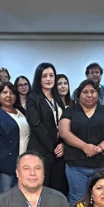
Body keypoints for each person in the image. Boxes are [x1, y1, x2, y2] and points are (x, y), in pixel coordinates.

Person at [59, 79, 104, 205]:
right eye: (85, 92)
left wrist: (100, 147)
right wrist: (84, 147)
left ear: (98, 94)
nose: (89, 95)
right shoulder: (70, 110)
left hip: (101, 164)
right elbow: (64, 132)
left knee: (99, 199)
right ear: (79, 94)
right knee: (77, 198)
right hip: (76, 165)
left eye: (92, 91)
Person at [0, 82, 30, 196]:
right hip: (4, 164)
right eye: (4, 92)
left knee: (19, 195)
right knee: (5, 195)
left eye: (12, 93)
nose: (8, 96)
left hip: (22, 162)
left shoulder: (21, 111)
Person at [26, 63, 66, 194]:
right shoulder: (33, 98)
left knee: (56, 189)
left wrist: (62, 143)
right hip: (41, 150)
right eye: (44, 76)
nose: (48, 79)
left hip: (58, 152)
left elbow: (63, 124)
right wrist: (52, 145)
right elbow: (36, 124)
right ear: (39, 79)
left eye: (51, 75)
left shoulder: (58, 99)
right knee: (40, 189)